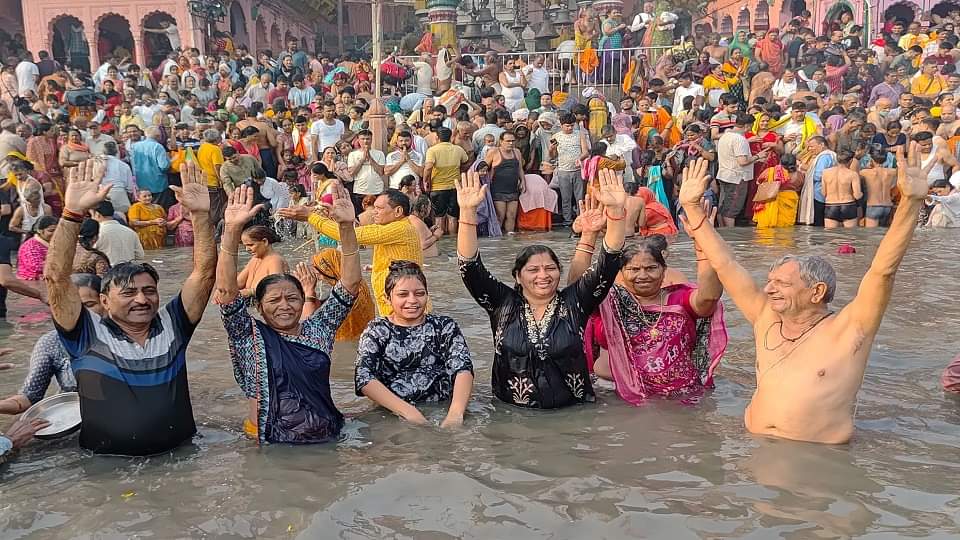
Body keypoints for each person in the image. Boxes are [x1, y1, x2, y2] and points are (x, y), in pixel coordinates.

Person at [678, 151, 930, 444]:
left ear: (817, 292)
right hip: (755, 453)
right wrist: (692, 207)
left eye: (782, 283)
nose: (769, 289)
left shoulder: (849, 329)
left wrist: (911, 203)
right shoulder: (764, 315)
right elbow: (725, 264)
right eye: (770, 281)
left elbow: (882, 271)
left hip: (816, 464)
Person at [46, 159, 217, 456]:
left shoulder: (173, 324)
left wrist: (201, 215)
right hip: (106, 469)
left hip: (182, 461)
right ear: (104, 301)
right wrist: (72, 214)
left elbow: (204, 273)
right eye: (128, 293)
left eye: (149, 291)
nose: (142, 299)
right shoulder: (84, 332)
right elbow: (56, 279)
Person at [456, 168, 626, 408]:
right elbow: (470, 267)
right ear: (518, 275)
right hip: (510, 418)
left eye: (550, 268)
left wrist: (616, 212)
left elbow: (609, 261)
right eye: (533, 270)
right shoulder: (502, 304)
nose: (543, 276)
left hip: (574, 417)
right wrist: (467, 212)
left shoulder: (575, 302)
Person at [215, 181, 361, 444]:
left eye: (292, 298)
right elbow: (227, 294)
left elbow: (349, 286)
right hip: (270, 442)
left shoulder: (318, 329)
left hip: (326, 436)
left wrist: (346, 227)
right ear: (259, 307)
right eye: (274, 299)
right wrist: (232, 231)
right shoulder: (248, 336)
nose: (284, 305)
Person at [568, 210, 726, 402]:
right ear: (621, 273)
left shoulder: (679, 300)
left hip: (676, 399)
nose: (642, 275)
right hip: (610, 396)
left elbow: (710, 298)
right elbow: (576, 293)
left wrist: (703, 243)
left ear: (664, 270)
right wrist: (588, 236)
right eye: (634, 269)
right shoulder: (608, 301)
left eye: (651, 268)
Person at [355, 261, 474, 426]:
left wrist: (455, 414)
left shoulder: (444, 326)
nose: (412, 300)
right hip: (393, 413)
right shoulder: (377, 330)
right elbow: (364, 378)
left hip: (443, 407)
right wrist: (409, 413)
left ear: (427, 295)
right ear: (387, 298)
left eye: (419, 293)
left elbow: (463, 368)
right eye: (403, 295)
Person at [281, 189, 422, 316]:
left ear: (397, 211)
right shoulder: (392, 228)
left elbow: (349, 236)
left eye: (379, 209)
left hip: (404, 307)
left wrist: (311, 217)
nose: (374, 212)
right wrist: (338, 218)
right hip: (394, 304)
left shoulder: (400, 229)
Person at [0, 274, 103, 415]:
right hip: (73, 417)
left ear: (106, 302)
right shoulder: (51, 342)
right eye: (67, 306)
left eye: (88, 305)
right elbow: (28, 397)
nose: (78, 312)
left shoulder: (127, 335)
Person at [310, 248, 376, 342]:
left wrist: (309, 293)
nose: (319, 279)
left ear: (330, 269)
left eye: (319, 274)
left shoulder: (350, 289)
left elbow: (319, 324)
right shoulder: (352, 281)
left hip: (353, 339)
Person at [717, 113, 769, 227]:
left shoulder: (725, 135)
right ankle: (732, 236)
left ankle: (722, 234)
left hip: (724, 175)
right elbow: (742, 161)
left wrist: (754, 160)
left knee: (723, 207)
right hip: (737, 178)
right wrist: (758, 156)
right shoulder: (740, 139)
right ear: (747, 126)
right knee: (732, 209)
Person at [423, 127, 468, 235]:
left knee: (439, 217)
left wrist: (425, 181)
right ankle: (452, 241)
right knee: (453, 217)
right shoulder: (458, 149)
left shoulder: (432, 150)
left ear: (437, 138)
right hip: (454, 187)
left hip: (438, 188)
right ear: (450, 137)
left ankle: (441, 242)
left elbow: (428, 167)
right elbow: (466, 161)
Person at [753, 153, 802, 229]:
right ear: (795, 163)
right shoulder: (800, 175)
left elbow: (758, 181)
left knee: (766, 230)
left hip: (770, 199)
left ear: (780, 162)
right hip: (790, 203)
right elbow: (799, 187)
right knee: (786, 229)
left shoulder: (770, 171)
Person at [237, 225, 288, 297]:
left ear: (265, 242)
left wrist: (251, 292)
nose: (247, 249)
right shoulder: (254, 260)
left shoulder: (275, 261)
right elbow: (238, 283)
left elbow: (276, 288)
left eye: (251, 245)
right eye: (245, 246)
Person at [130, 126, 173, 208]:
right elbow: (164, 166)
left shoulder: (135, 146)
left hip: (141, 182)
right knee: (158, 209)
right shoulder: (158, 146)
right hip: (158, 183)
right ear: (158, 136)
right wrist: (170, 162)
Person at [820, 151, 863, 228]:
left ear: (837, 160)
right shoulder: (853, 174)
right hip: (848, 205)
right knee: (850, 237)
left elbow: (823, 193)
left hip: (831, 206)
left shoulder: (825, 173)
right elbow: (857, 196)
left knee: (831, 236)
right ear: (850, 161)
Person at [16, 216, 57, 280]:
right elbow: (36, 266)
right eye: (51, 231)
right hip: (30, 281)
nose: (55, 233)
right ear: (39, 231)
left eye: (57, 231)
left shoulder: (53, 243)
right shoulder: (30, 246)